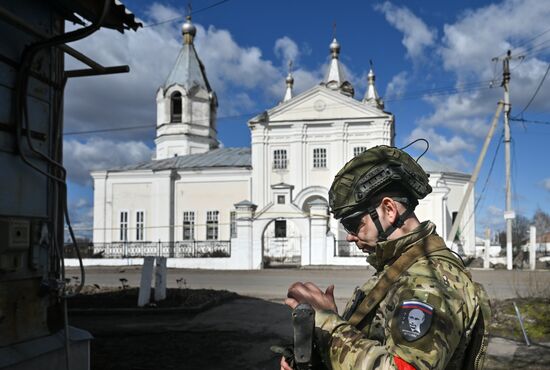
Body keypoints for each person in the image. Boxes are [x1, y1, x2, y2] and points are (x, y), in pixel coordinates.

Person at [281, 145, 491, 370]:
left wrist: (329, 324)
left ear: (389, 210)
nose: (350, 237)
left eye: (353, 224)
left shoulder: (429, 282)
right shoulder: (401, 268)